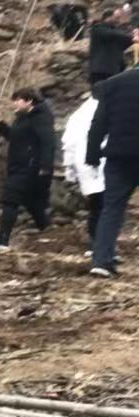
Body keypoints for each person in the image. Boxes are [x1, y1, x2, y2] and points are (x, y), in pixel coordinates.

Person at [86, 42, 139, 278]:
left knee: (111, 209)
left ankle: (101, 261)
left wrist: (92, 155)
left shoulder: (113, 84)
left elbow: (99, 123)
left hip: (119, 157)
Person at [0, 88, 55, 251]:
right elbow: (14, 137)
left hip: (30, 166)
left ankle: (2, 239)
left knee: (10, 199)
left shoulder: (41, 118)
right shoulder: (22, 117)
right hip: (18, 165)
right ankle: (48, 230)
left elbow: (48, 143)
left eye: (18, 100)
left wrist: (45, 167)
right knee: (32, 203)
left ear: (29, 101)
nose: (14, 103)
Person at [61, 87, 105, 254]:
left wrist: (70, 170)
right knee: (105, 207)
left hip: (85, 166)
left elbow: (68, 144)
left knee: (96, 206)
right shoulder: (107, 108)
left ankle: (97, 244)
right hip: (101, 164)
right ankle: (102, 246)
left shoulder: (78, 115)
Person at [88, 4, 133, 84]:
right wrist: (132, 36)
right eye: (116, 18)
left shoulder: (117, 33)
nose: (118, 21)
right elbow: (113, 34)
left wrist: (134, 37)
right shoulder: (97, 28)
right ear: (108, 17)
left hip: (114, 71)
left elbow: (126, 42)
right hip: (100, 71)